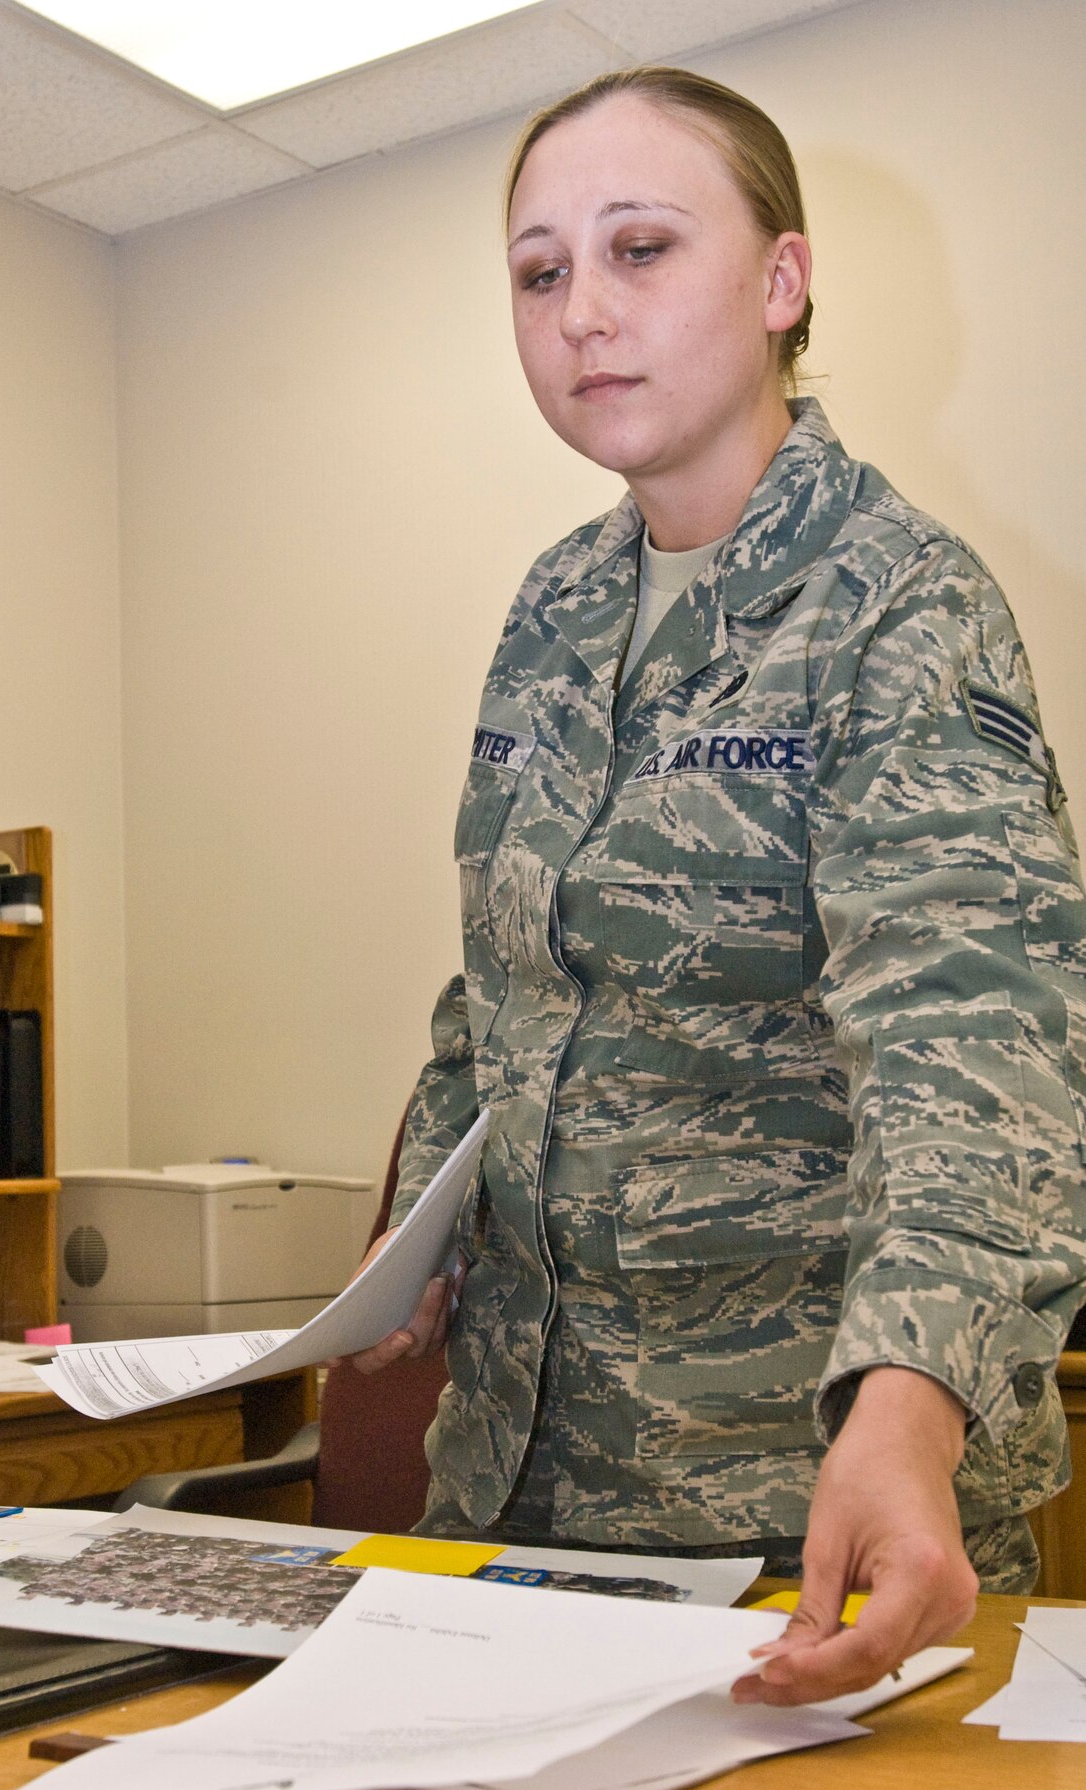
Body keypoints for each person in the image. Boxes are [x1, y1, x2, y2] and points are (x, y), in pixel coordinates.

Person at [349, 66, 1086, 1703]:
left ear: (779, 282)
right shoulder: (555, 606)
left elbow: (983, 1050)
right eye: (541, 273)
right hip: (518, 1502)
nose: (582, 313)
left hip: (801, 1520)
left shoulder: (902, 610)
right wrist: (426, 1225)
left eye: (641, 249)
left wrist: (908, 1412)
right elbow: (507, 988)